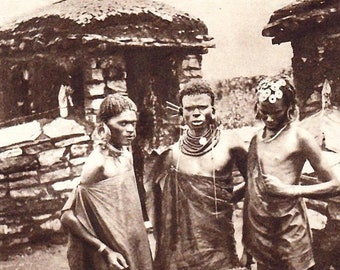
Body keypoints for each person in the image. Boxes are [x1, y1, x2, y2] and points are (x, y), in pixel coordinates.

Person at [146, 80, 248, 270]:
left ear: (213, 109)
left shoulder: (230, 143)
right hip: (183, 253)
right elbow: (158, 205)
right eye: (189, 108)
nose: (196, 113)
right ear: (181, 113)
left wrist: (227, 199)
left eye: (202, 107)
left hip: (220, 241)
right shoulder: (172, 155)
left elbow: (255, 185)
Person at [242, 75, 340, 270]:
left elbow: (335, 184)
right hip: (262, 229)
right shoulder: (256, 140)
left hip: (291, 228)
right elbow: (250, 191)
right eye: (264, 113)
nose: (269, 119)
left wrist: (290, 190)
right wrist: (247, 243)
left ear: (289, 109)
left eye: (276, 113)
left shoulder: (300, 137)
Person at [60, 93, 153, 270]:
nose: (131, 129)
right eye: (122, 123)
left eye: (132, 123)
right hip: (113, 252)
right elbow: (67, 216)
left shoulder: (126, 153)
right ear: (104, 126)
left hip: (134, 244)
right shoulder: (97, 164)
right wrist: (104, 250)